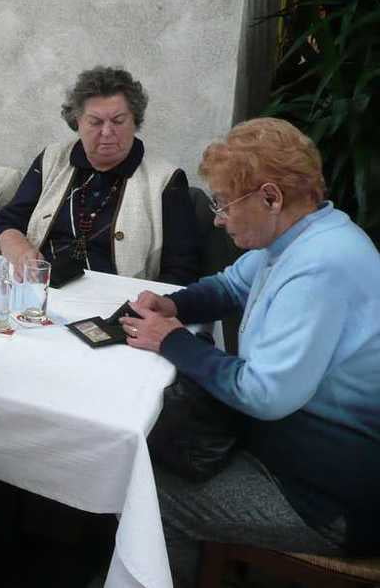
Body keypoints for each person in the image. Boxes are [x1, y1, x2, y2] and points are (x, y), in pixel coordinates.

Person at [119, 118, 380, 584]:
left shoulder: (321, 266)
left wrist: (172, 339)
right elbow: (229, 286)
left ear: (270, 197)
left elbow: (263, 394)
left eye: (222, 203)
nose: (218, 218)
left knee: (148, 494)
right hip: (296, 454)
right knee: (155, 451)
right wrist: (174, 304)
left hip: (329, 497)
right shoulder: (301, 236)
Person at [0, 66, 200, 284]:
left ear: (135, 121)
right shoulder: (52, 159)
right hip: (41, 286)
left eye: (118, 121)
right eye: (95, 122)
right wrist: (20, 250)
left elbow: (182, 270)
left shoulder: (166, 180)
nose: (107, 132)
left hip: (119, 298)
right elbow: (7, 221)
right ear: (77, 122)